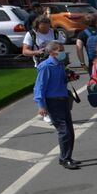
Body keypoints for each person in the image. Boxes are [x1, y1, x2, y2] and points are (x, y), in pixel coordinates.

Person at [33, 41, 79, 170]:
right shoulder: (46, 66)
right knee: (64, 131)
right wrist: (41, 105)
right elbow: (39, 87)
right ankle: (65, 159)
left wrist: (69, 78)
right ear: (52, 52)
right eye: (61, 50)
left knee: (69, 130)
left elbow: (59, 81)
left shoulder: (59, 64)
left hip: (63, 99)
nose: (63, 52)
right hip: (53, 101)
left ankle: (66, 157)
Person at [23, 12, 63, 124]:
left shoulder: (54, 32)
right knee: (43, 87)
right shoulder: (31, 34)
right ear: (37, 25)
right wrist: (37, 52)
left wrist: (61, 55)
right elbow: (25, 51)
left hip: (56, 63)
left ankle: (58, 109)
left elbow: (61, 47)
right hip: (42, 64)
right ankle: (45, 112)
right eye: (43, 28)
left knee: (56, 86)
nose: (46, 30)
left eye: (47, 27)